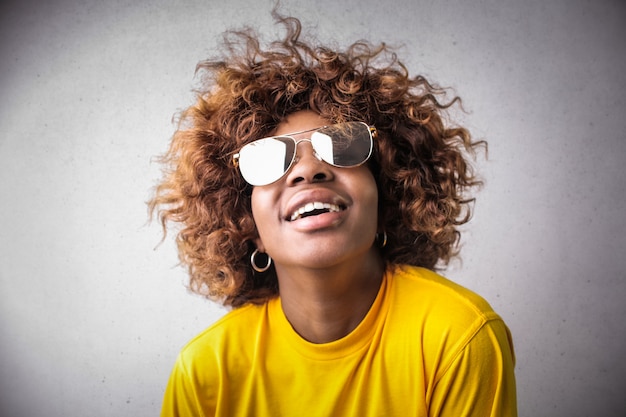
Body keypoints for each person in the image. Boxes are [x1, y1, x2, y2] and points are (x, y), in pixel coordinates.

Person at [150, 14, 517, 417]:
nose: (309, 170)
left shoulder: (458, 335)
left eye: (342, 146)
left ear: (386, 193)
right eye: (269, 161)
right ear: (246, 224)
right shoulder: (207, 372)